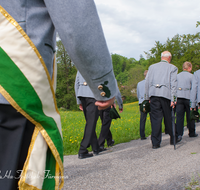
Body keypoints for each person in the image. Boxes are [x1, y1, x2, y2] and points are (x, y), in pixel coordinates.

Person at [0, 1, 117, 190]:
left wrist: (79, 98)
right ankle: (88, 148)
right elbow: (76, 23)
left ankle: (94, 147)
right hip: (16, 85)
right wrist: (104, 86)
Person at [145, 51, 180, 149]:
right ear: (169, 58)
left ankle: (155, 143)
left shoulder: (152, 67)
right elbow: (173, 84)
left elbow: (147, 82)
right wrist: (173, 98)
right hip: (166, 95)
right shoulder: (172, 68)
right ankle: (173, 138)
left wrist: (147, 97)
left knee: (155, 119)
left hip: (154, 95)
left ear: (161, 57)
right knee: (169, 117)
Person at [75, 71, 100, 159]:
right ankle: (82, 149)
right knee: (91, 123)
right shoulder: (96, 63)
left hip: (82, 95)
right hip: (93, 95)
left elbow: (77, 83)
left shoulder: (80, 64)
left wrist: (78, 100)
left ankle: (96, 148)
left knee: (90, 122)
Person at [98, 83, 123, 151]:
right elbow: (117, 93)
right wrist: (120, 105)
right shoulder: (110, 76)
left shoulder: (96, 77)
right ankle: (100, 144)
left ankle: (109, 141)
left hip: (99, 103)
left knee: (104, 123)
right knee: (105, 124)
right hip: (108, 103)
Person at [176, 62, 198, 139]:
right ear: (189, 68)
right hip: (188, 97)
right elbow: (194, 89)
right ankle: (191, 132)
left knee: (179, 117)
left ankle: (179, 134)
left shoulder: (177, 76)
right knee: (190, 116)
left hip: (179, 97)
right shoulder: (192, 76)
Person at [137, 70, 149, 140]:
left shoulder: (139, 83)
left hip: (142, 102)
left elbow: (138, 94)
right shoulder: (150, 83)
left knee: (142, 119)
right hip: (149, 101)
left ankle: (142, 135)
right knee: (152, 118)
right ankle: (154, 132)